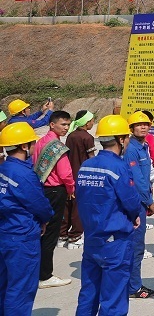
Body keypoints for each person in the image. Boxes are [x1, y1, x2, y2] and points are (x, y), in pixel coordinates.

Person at [74, 115, 142, 316]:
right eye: (126, 137)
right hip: (114, 241)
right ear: (120, 139)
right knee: (114, 298)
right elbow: (131, 201)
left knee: (89, 292)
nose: (128, 141)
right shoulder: (118, 166)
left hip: (92, 237)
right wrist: (135, 216)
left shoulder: (87, 166)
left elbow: (82, 197)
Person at [0, 123, 54, 314]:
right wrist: (46, 218)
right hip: (22, 236)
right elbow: (39, 204)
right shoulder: (23, 174)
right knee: (21, 288)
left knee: (5, 284)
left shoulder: (4, 168)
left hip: (5, 232)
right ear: (24, 146)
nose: (34, 146)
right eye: (32, 143)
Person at [32, 110, 75, 288]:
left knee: (42, 231)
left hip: (41, 189)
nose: (66, 128)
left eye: (68, 125)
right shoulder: (57, 147)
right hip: (56, 191)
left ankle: (36, 272)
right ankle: (45, 275)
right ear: (52, 124)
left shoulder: (40, 142)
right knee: (51, 233)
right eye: (63, 124)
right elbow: (65, 173)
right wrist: (71, 188)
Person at [122, 111, 154, 299]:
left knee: (136, 246)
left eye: (146, 124)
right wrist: (149, 202)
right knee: (136, 246)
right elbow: (137, 180)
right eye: (139, 124)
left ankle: (132, 283)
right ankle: (133, 287)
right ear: (131, 128)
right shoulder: (132, 149)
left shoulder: (143, 146)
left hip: (140, 201)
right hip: (137, 202)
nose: (143, 127)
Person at [59, 110, 96, 249]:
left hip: (69, 174)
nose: (93, 123)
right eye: (92, 120)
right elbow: (91, 159)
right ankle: (75, 236)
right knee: (79, 207)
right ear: (87, 122)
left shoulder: (71, 135)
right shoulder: (87, 137)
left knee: (67, 205)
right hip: (82, 175)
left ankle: (62, 235)